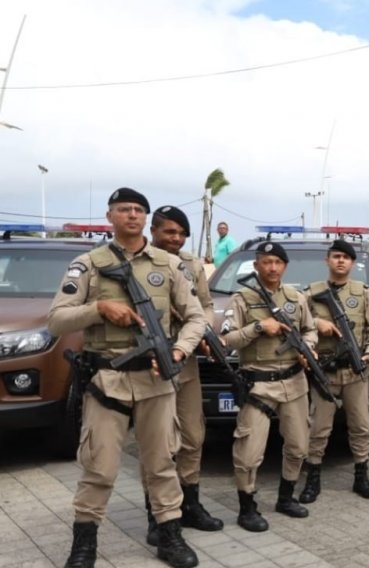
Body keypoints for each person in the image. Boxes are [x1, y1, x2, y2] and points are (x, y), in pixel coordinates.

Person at [50, 188, 204, 568]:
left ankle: (169, 536)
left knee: (162, 462)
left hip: (156, 379)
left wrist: (179, 350)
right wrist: (98, 308)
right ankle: (84, 543)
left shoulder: (168, 265)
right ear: (111, 216)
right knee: (99, 465)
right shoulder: (88, 264)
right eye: (124, 209)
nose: (132, 215)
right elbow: (57, 319)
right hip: (107, 381)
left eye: (138, 210)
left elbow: (198, 317)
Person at [223, 242, 317, 532]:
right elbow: (227, 340)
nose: (272, 267)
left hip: (294, 382)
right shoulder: (241, 299)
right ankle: (247, 506)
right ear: (256, 266)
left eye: (277, 262)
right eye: (266, 262)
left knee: (299, 445)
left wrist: (309, 348)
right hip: (258, 384)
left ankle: (286, 497)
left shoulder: (295, 298)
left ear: (285, 266)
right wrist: (259, 328)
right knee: (249, 452)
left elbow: (310, 330)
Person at [143, 206, 223, 546]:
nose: (175, 239)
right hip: (152, 365)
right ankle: (157, 516)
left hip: (186, 362)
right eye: (169, 232)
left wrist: (202, 330)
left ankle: (190, 504)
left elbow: (205, 305)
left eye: (180, 234)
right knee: (159, 443)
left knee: (192, 436)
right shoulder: (137, 263)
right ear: (154, 230)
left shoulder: (191, 265)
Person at [299, 240, 369, 504]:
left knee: (361, 426)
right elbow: (295, 324)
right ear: (328, 260)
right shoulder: (311, 294)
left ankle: (361, 475)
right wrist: (318, 323)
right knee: (318, 428)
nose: (340, 261)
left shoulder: (363, 293)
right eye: (336, 256)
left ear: (352, 263)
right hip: (324, 373)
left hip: (355, 373)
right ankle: (313, 477)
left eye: (346, 258)